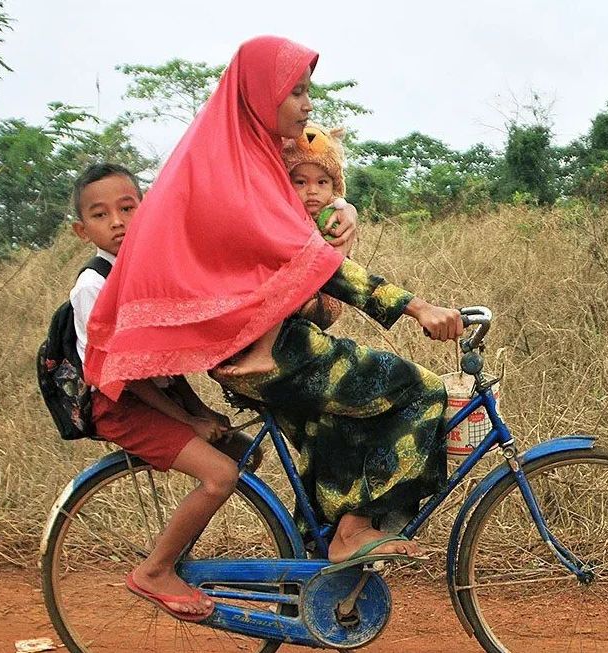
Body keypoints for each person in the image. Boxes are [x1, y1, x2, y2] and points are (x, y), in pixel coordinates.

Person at [82, 36, 463, 619]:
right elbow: (313, 260)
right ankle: (353, 531)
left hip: (252, 349)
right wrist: (416, 309)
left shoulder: (245, 155)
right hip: (268, 354)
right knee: (421, 389)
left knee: (341, 425)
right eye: (297, 90)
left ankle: (325, 558)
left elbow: (306, 267)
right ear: (262, 94)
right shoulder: (243, 169)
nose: (308, 104)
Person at [70, 162, 252, 623]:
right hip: (122, 405)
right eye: (100, 214)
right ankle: (156, 570)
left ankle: (181, 552)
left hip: (162, 391)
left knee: (243, 451)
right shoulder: (93, 286)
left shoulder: (148, 267)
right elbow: (125, 373)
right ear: (81, 229)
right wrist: (189, 419)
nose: (117, 221)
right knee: (220, 476)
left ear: (145, 209)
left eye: (127, 208)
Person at [218, 122, 351, 377]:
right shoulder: (284, 213)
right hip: (298, 296)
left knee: (284, 275)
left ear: (334, 187)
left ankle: (264, 352)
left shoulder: (334, 216)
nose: (312, 191)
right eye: (300, 182)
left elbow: (335, 267)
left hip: (322, 295)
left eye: (322, 182)